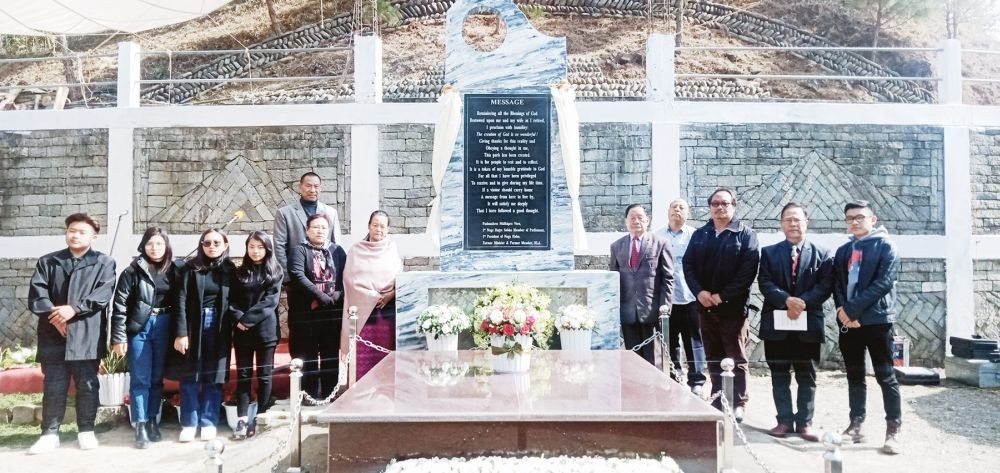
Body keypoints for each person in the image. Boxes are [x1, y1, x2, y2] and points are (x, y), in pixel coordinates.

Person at [27, 213, 116, 455]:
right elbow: (38, 295)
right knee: (54, 385)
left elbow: (102, 295)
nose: (75, 235)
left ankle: (86, 430)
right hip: (52, 333)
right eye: (71, 230)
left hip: (86, 333)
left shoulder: (104, 263)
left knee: (87, 384)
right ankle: (49, 433)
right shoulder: (48, 262)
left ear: (94, 237)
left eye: (82, 232)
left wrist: (73, 310)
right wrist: (56, 318)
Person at [758, 203, 834, 442]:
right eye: (788, 220)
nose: (793, 224)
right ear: (781, 224)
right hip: (777, 323)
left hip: (808, 323)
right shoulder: (769, 253)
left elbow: (825, 286)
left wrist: (802, 303)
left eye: (797, 220)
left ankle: (804, 423)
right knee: (779, 373)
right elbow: (765, 283)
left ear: (806, 223)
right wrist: (786, 300)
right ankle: (783, 421)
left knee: (806, 375)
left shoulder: (823, 254)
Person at [683, 188, 759, 422]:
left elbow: (748, 272)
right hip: (705, 308)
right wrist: (699, 292)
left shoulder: (745, 235)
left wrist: (722, 296)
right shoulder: (701, 234)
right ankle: (718, 398)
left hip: (733, 310)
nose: (719, 207)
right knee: (713, 355)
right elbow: (688, 265)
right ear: (710, 207)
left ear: (733, 206)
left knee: (736, 358)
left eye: (725, 203)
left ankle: (738, 402)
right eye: (715, 203)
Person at [833, 200, 903, 455]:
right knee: (854, 375)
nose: (854, 221)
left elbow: (884, 283)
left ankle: (893, 430)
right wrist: (842, 310)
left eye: (860, 217)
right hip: (849, 323)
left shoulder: (886, 245)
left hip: (877, 321)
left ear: (872, 220)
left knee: (886, 376)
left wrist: (852, 310)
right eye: (850, 218)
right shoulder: (843, 250)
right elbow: (837, 284)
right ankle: (856, 425)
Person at [110, 227, 178, 449]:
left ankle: (151, 420)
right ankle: (139, 425)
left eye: (159, 243)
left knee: (157, 377)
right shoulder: (132, 272)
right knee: (141, 378)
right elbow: (119, 306)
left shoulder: (175, 269)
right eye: (150, 244)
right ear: (143, 246)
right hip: (140, 327)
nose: (155, 248)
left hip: (165, 325)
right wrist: (118, 338)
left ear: (166, 245)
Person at [172, 228, 236, 442]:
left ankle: (209, 422)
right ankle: (189, 423)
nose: (211, 247)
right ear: (201, 245)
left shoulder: (229, 269)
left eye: (217, 243)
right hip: (193, 325)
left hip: (219, 327)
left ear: (225, 245)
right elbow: (180, 300)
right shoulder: (191, 269)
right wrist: (181, 333)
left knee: (214, 374)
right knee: (190, 375)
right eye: (207, 243)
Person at [228, 231, 283, 439]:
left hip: (265, 332)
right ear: (247, 247)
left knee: (264, 376)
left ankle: (260, 417)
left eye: (260, 247)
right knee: (243, 376)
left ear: (267, 249)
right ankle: (242, 419)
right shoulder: (239, 272)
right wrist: (239, 319)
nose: (255, 251)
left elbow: (270, 302)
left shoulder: (275, 272)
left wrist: (246, 320)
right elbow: (230, 300)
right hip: (242, 333)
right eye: (252, 246)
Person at [288, 214, 346, 400]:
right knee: (307, 354)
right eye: (315, 227)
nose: (320, 231)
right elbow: (297, 274)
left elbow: (346, 276)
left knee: (330, 354)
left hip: (331, 311)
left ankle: (330, 393)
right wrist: (319, 294)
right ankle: (309, 394)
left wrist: (337, 294)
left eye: (323, 227)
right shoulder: (299, 250)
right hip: (307, 313)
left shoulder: (337, 250)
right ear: (307, 230)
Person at [609, 203, 674, 366]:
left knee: (654, 358)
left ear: (647, 220)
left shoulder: (661, 243)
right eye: (632, 218)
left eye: (640, 217)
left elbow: (668, 277)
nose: (636, 221)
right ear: (626, 221)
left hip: (652, 310)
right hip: (627, 311)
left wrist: (665, 306)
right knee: (632, 359)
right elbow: (613, 279)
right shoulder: (616, 246)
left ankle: (654, 390)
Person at [340, 210, 402, 379]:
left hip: (387, 311)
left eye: (383, 226)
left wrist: (391, 294)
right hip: (364, 311)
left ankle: (386, 390)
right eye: (375, 225)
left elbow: (400, 278)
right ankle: (361, 391)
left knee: (386, 352)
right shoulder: (356, 250)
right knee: (364, 356)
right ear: (369, 226)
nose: (379, 229)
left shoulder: (392, 250)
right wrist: (373, 297)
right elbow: (350, 279)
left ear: (388, 229)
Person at [655, 198, 706, 395]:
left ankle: (697, 380)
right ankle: (675, 376)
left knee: (694, 339)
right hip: (667, 299)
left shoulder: (696, 236)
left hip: (692, 297)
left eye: (682, 207)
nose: (677, 210)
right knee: (670, 341)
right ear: (668, 211)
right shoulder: (657, 236)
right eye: (674, 206)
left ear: (688, 212)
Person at [274, 172, 342, 279]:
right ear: (300, 188)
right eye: (308, 186)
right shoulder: (285, 213)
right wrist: (287, 276)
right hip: (296, 276)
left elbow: (336, 244)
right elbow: (279, 247)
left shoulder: (331, 212)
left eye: (316, 186)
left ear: (321, 188)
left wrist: (335, 275)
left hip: (325, 277)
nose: (312, 190)